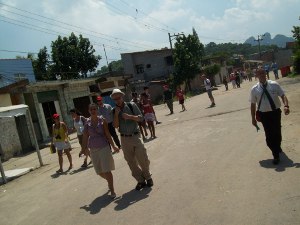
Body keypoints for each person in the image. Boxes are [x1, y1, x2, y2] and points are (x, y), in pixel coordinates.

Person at [111, 88, 153, 191]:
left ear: (122, 96)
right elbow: (115, 126)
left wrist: (130, 117)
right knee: (131, 162)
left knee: (142, 157)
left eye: (119, 97)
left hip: (135, 135)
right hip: (124, 139)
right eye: (115, 98)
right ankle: (140, 180)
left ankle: (148, 177)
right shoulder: (113, 110)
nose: (117, 100)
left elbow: (141, 118)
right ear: (113, 99)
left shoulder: (131, 105)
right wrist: (116, 114)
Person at [250, 68, 290, 165]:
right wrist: (253, 119)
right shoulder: (254, 89)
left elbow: (283, 95)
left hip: (275, 112)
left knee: (277, 132)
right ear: (256, 76)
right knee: (269, 135)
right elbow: (253, 105)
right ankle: (275, 154)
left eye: (263, 73)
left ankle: (277, 146)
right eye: (259, 74)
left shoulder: (274, 84)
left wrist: (286, 106)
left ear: (266, 74)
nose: (262, 75)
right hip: (264, 115)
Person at [81, 103, 119, 198]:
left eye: (94, 109)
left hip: (104, 147)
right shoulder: (87, 123)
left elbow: (107, 134)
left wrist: (113, 146)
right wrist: (83, 149)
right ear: (89, 111)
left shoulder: (103, 120)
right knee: (99, 171)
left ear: (97, 110)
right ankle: (109, 181)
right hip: (93, 149)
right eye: (91, 109)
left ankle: (112, 190)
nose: (93, 111)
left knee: (106, 170)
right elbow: (85, 136)